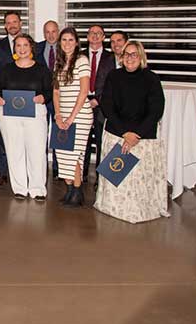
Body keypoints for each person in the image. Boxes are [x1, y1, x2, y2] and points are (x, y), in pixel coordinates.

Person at [94, 41, 167, 223]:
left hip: (143, 137)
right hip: (117, 134)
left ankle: (142, 210)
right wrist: (124, 132)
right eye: (126, 54)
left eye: (134, 54)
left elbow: (156, 110)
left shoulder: (151, 78)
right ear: (121, 57)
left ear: (141, 56)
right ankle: (112, 207)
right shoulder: (113, 76)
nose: (129, 58)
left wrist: (136, 135)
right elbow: (107, 105)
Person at [0, 34, 52, 200]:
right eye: (18, 46)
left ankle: (38, 189)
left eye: (25, 45)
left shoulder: (42, 69)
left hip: (35, 114)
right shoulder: (7, 69)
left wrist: (43, 97)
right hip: (9, 116)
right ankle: (19, 188)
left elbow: (49, 91)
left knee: (37, 152)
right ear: (14, 49)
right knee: (14, 151)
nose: (22, 49)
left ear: (31, 47)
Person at [53, 27, 93, 208]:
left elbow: (84, 91)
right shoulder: (59, 63)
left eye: (71, 40)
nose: (67, 43)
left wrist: (71, 118)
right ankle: (70, 191)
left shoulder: (82, 60)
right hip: (63, 115)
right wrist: (59, 115)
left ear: (76, 42)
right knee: (62, 155)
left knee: (74, 155)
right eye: (64, 40)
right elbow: (56, 92)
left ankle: (77, 192)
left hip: (80, 115)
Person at [0, 10, 26, 186]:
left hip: (25, 99)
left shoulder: (28, 44)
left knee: (25, 137)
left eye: (15, 22)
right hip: (4, 98)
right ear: (5, 26)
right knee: (4, 135)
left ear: (20, 23)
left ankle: (24, 172)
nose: (12, 25)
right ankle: (3, 172)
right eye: (8, 23)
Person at [83, 25, 115, 188]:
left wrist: (97, 100)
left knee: (102, 143)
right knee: (83, 142)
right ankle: (81, 176)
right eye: (92, 33)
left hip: (102, 105)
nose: (95, 36)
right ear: (87, 37)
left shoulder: (111, 58)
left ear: (103, 37)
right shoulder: (79, 55)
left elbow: (112, 84)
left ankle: (100, 179)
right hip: (82, 103)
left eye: (98, 34)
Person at [35, 19, 60, 179]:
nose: (50, 35)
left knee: (59, 134)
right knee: (40, 134)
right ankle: (41, 164)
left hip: (60, 98)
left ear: (58, 31)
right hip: (42, 97)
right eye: (47, 32)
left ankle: (58, 168)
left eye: (53, 31)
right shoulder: (37, 48)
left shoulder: (66, 48)